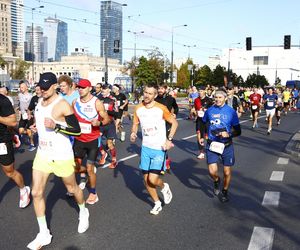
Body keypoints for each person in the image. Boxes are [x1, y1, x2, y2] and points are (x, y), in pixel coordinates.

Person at [27, 72, 89, 250]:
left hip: (61, 154)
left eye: (46, 87)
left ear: (55, 86)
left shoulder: (62, 105)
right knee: (36, 193)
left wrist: (56, 126)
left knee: (72, 188)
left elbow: (77, 131)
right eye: (41, 87)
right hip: (43, 153)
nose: (43, 90)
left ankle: (83, 212)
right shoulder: (39, 102)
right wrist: (36, 127)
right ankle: (43, 233)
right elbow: (41, 123)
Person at [130, 82, 178, 215]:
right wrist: (133, 133)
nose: (146, 95)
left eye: (150, 93)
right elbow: (135, 124)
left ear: (155, 95)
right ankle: (157, 203)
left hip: (159, 149)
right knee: (146, 180)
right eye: (145, 92)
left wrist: (169, 140)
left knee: (153, 179)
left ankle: (164, 186)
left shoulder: (161, 108)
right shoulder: (138, 108)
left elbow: (174, 123)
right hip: (145, 148)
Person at [73, 79, 109, 204]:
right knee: (75, 168)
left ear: (89, 88)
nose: (80, 89)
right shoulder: (75, 102)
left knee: (89, 168)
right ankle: (89, 172)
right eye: (78, 87)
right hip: (78, 140)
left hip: (92, 140)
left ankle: (93, 193)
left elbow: (107, 119)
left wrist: (99, 122)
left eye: (83, 87)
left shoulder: (96, 102)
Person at [202, 89, 241, 203]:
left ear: (225, 98)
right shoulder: (209, 110)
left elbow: (238, 131)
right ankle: (216, 180)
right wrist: (202, 135)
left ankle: (224, 191)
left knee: (227, 172)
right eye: (216, 97)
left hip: (226, 145)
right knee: (212, 172)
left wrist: (228, 134)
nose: (217, 99)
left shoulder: (231, 111)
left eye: (220, 97)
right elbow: (204, 123)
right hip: (212, 144)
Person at [0, 93, 30, 208]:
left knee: (9, 171)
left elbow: (13, 122)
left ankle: (23, 190)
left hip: (2, 141)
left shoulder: (3, 100)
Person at [155, 82, 179, 171]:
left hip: (167, 123)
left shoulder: (170, 99)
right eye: (159, 88)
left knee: (163, 143)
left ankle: (163, 163)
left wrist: (175, 114)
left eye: (162, 88)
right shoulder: (155, 99)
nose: (160, 90)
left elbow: (176, 107)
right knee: (158, 144)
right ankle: (166, 160)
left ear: (165, 89)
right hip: (157, 123)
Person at [98, 84, 119, 168]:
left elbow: (116, 113)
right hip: (100, 123)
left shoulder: (113, 99)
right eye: (102, 90)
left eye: (104, 90)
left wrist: (107, 111)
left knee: (109, 144)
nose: (102, 91)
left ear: (109, 90)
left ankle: (114, 160)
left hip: (110, 124)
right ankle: (103, 153)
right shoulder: (98, 99)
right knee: (97, 142)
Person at [194, 85, 213, 159]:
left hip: (207, 121)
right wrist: (195, 113)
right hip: (199, 121)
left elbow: (212, 111)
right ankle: (201, 152)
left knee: (207, 137)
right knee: (199, 135)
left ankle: (210, 149)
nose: (200, 92)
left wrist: (206, 111)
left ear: (204, 91)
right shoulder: (196, 100)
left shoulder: (209, 100)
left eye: (201, 91)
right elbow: (195, 109)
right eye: (199, 91)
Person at [18, 81, 35, 151]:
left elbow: (33, 106)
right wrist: (19, 109)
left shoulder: (30, 96)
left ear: (26, 87)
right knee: (20, 131)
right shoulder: (19, 95)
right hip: (23, 115)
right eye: (20, 87)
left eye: (22, 87)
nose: (20, 88)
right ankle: (28, 134)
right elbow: (20, 103)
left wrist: (30, 113)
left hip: (29, 115)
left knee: (29, 130)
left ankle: (32, 144)